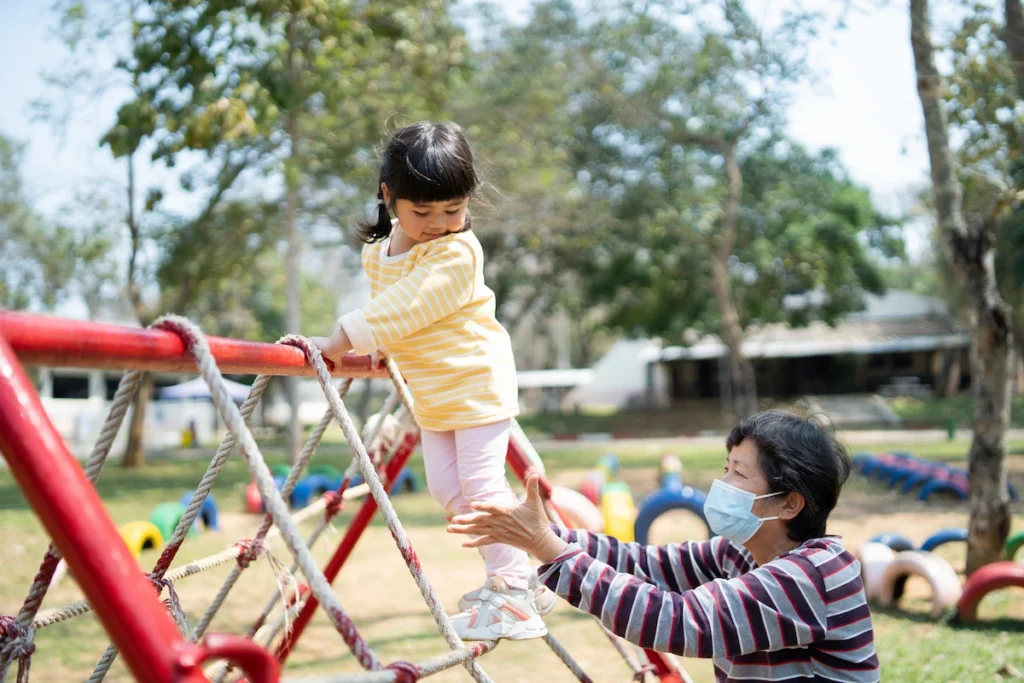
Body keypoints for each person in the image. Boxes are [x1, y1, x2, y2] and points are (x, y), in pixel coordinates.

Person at [311, 121, 552, 641]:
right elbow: (390, 314)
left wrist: (343, 337)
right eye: (422, 212)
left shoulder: (458, 253)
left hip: (475, 381)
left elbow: (410, 305)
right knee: (448, 489)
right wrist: (373, 345)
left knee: (483, 486)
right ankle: (530, 573)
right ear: (388, 197)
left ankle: (511, 590)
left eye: (454, 210)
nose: (439, 223)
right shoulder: (378, 254)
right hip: (434, 395)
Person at [448, 411, 881, 681]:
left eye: (739, 475)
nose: (721, 484)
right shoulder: (742, 553)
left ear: (789, 503)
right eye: (725, 468)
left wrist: (548, 549)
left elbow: (682, 621)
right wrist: (556, 537)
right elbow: (644, 564)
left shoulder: (814, 575)